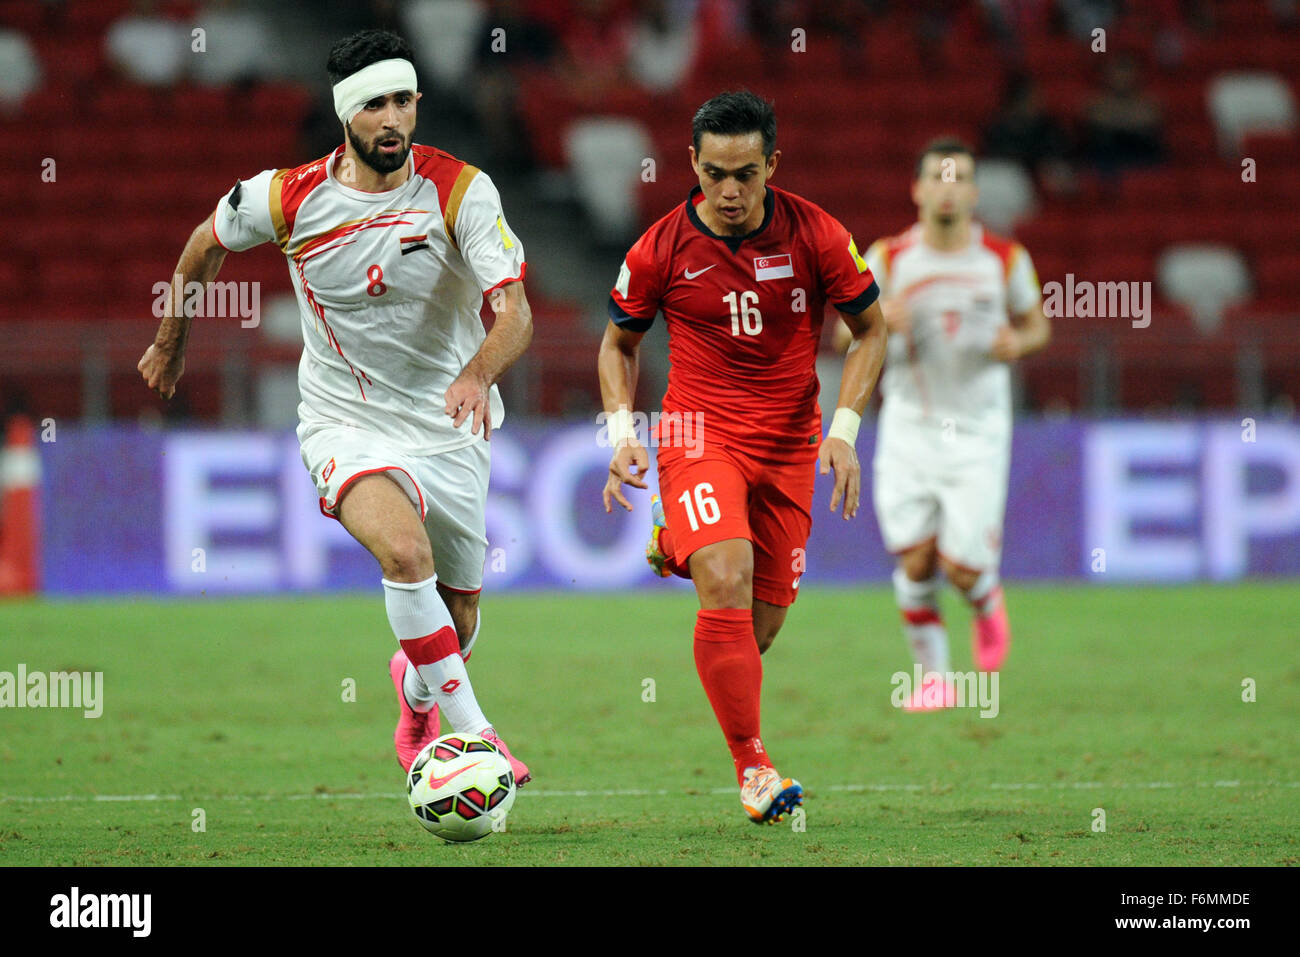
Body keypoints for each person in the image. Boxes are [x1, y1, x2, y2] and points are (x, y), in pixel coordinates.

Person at [138, 29, 533, 782]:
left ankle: (416, 700)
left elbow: (514, 311)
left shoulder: (460, 190)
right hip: (344, 421)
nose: (393, 120)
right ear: (347, 114)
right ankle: (481, 739)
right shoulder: (287, 198)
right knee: (404, 554)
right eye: (376, 105)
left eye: (403, 102)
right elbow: (204, 244)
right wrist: (171, 338)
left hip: (449, 423)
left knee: (461, 618)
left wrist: (479, 373)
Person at [599, 90, 887, 823]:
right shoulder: (659, 248)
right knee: (724, 573)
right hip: (700, 434)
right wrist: (622, 433)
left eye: (746, 174)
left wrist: (845, 429)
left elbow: (873, 330)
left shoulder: (818, 235)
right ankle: (754, 767)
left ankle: (678, 541)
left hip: (791, 440)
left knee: (757, 630)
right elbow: (619, 343)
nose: (729, 191)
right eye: (715, 172)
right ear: (693, 163)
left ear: (772, 165)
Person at [834, 138, 1050, 709]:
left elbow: (1037, 325)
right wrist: (878, 321)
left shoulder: (1004, 258)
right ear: (918, 188)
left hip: (979, 431)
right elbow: (839, 336)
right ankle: (935, 678)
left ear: (974, 192)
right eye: (937, 177)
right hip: (908, 426)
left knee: (959, 565)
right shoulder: (886, 258)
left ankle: (984, 600)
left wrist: (1016, 341)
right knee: (914, 558)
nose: (947, 187)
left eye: (958, 179)